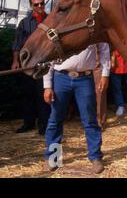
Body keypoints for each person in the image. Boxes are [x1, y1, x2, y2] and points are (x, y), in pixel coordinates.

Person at [42, 43, 110, 174]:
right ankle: (53, 158)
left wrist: (105, 74)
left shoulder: (93, 25)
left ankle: (95, 157)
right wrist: (48, 86)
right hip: (60, 77)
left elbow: (104, 49)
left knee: (90, 120)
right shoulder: (58, 27)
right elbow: (48, 56)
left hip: (85, 78)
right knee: (55, 119)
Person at [11, 0, 50, 135]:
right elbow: (17, 43)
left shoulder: (51, 20)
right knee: (28, 94)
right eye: (36, 4)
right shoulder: (24, 23)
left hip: (44, 65)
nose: (40, 6)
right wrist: (15, 61)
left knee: (43, 94)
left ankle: (43, 126)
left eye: (42, 4)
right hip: (27, 65)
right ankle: (28, 123)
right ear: (31, 6)